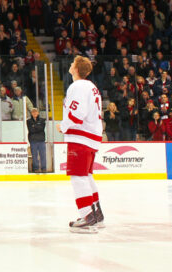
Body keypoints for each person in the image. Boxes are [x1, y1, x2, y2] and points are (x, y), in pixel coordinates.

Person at [60, 56, 104, 233]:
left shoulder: (77, 86)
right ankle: (96, 211)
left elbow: (77, 113)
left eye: (72, 64)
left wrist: (62, 126)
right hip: (92, 136)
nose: (70, 65)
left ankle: (86, 214)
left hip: (81, 137)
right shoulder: (92, 86)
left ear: (76, 69)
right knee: (86, 175)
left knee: (78, 176)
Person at [27, 108, 47, 173]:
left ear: (38, 113)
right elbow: (31, 130)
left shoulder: (42, 120)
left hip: (41, 140)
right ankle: (36, 168)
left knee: (43, 155)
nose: (34, 113)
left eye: (35, 112)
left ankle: (44, 168)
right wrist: (37, 126)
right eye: (33, 112)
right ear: (31, 113)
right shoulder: (29, 121)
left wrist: (34, 126)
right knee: (34, 155)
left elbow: (41, 128)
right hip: (33, 140)